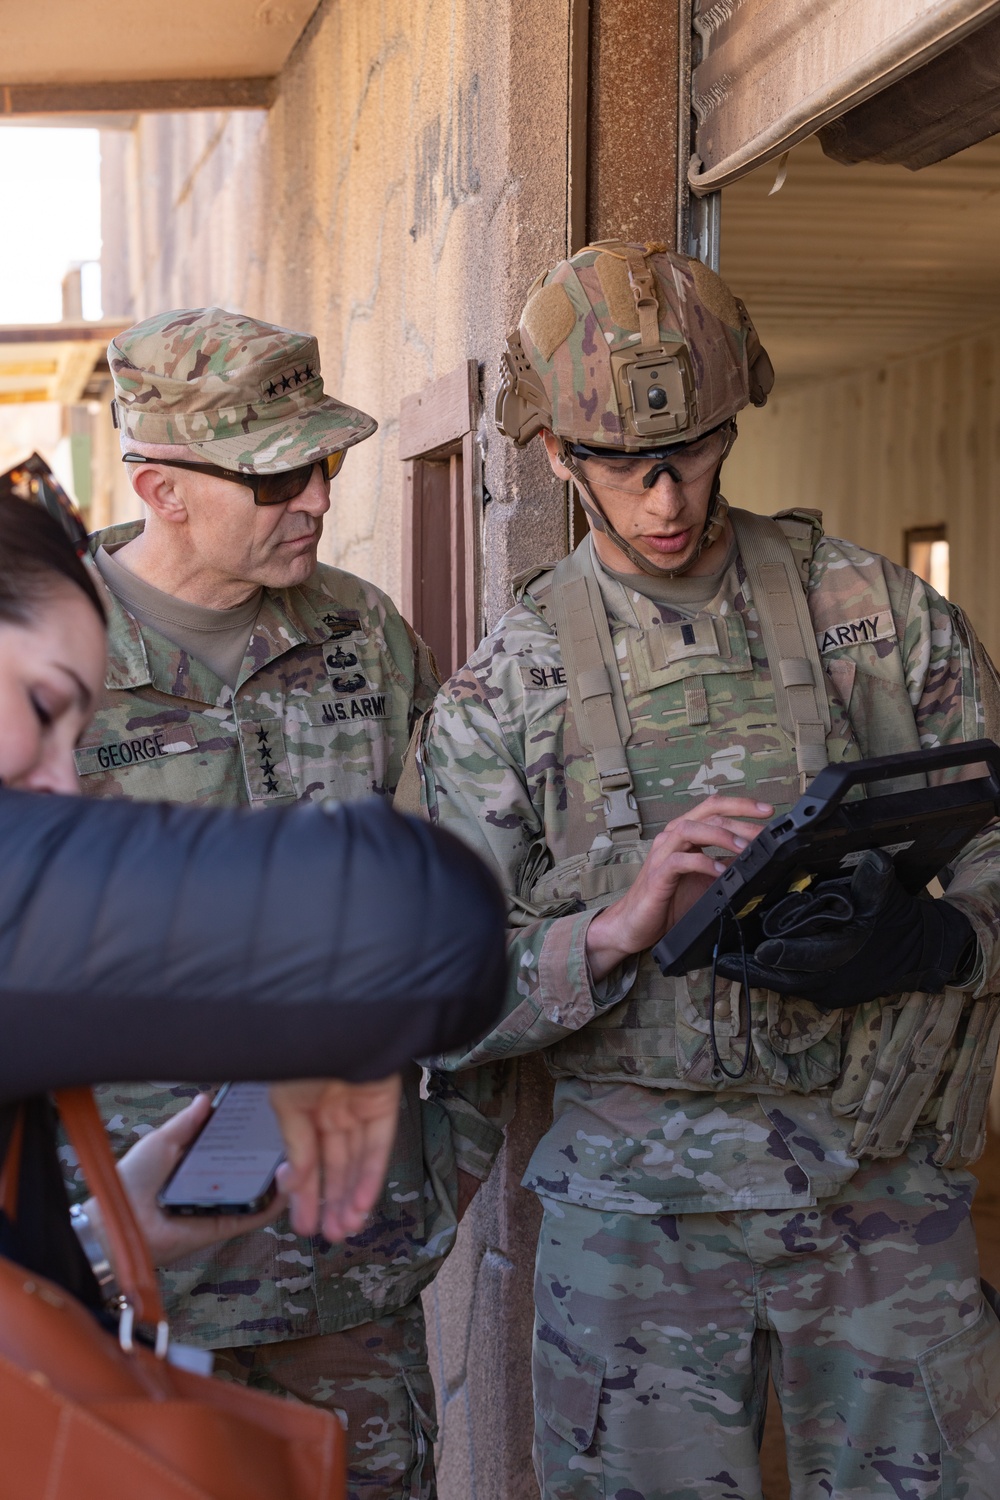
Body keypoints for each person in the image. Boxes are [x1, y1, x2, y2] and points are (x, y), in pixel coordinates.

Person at [402, 241, 1000, 1498]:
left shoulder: (872, 616)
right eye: (622, 466)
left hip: (875, 1183)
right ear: (557, 458)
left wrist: (948, 942)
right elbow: (431, 989)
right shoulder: (508, 687)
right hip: (635, 1228)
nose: (666, 498)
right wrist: (611, 932)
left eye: (697, 451)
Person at [65, 306, 496, 1498]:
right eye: (275, 477)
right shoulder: (47, 660)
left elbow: (466, 871)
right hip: (123, 1280)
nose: (313, 498)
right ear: (161, 487)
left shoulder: (360, 630)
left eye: (324, 464)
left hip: (340, 1267)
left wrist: (446, 1153)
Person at [0, 490, 505, 1326]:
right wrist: (320, 1016)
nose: (63, 786)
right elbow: (430, 921)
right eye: (44, 708)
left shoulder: (362, 623)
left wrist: (107, 1229)